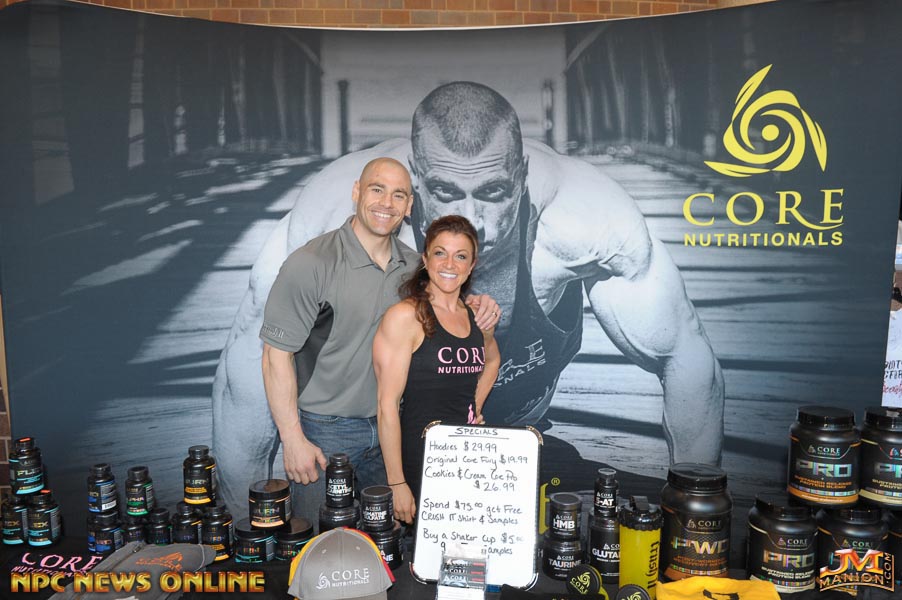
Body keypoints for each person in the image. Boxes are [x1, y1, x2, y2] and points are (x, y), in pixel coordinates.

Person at [212, 82, 723, 513]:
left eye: (494, 192)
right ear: (415, 178)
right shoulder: (327, 227)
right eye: (446, 192)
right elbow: (250, 370)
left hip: (507, 431)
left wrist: (693, 509)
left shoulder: (582, 222)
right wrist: (245, 520)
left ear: (521, 176)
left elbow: (686, 357)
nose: (473, 219)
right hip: (377, 431)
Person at [250, 157, 499, 521]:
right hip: (326, 432)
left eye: (398, 195)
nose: (387, 203)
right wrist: (292, 437)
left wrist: (479, 304)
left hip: (394, 432)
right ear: (357, 192)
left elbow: (451, 301)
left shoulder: (415, 267)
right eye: (377, 189)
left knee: (390, 540)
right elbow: (275, 356)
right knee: (319, 536)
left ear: (409, 206)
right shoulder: (311, 263)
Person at [373, 216, 501, 523]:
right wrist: (397, 482)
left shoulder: (474, 316)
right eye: (440, 253)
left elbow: (492, 361)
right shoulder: (406, 316)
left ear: (472, 265)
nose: (449, 264)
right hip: (418, 461)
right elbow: (387, 405)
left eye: (461, 256)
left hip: (466, 461)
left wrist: (473, 409)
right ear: (425, 258)